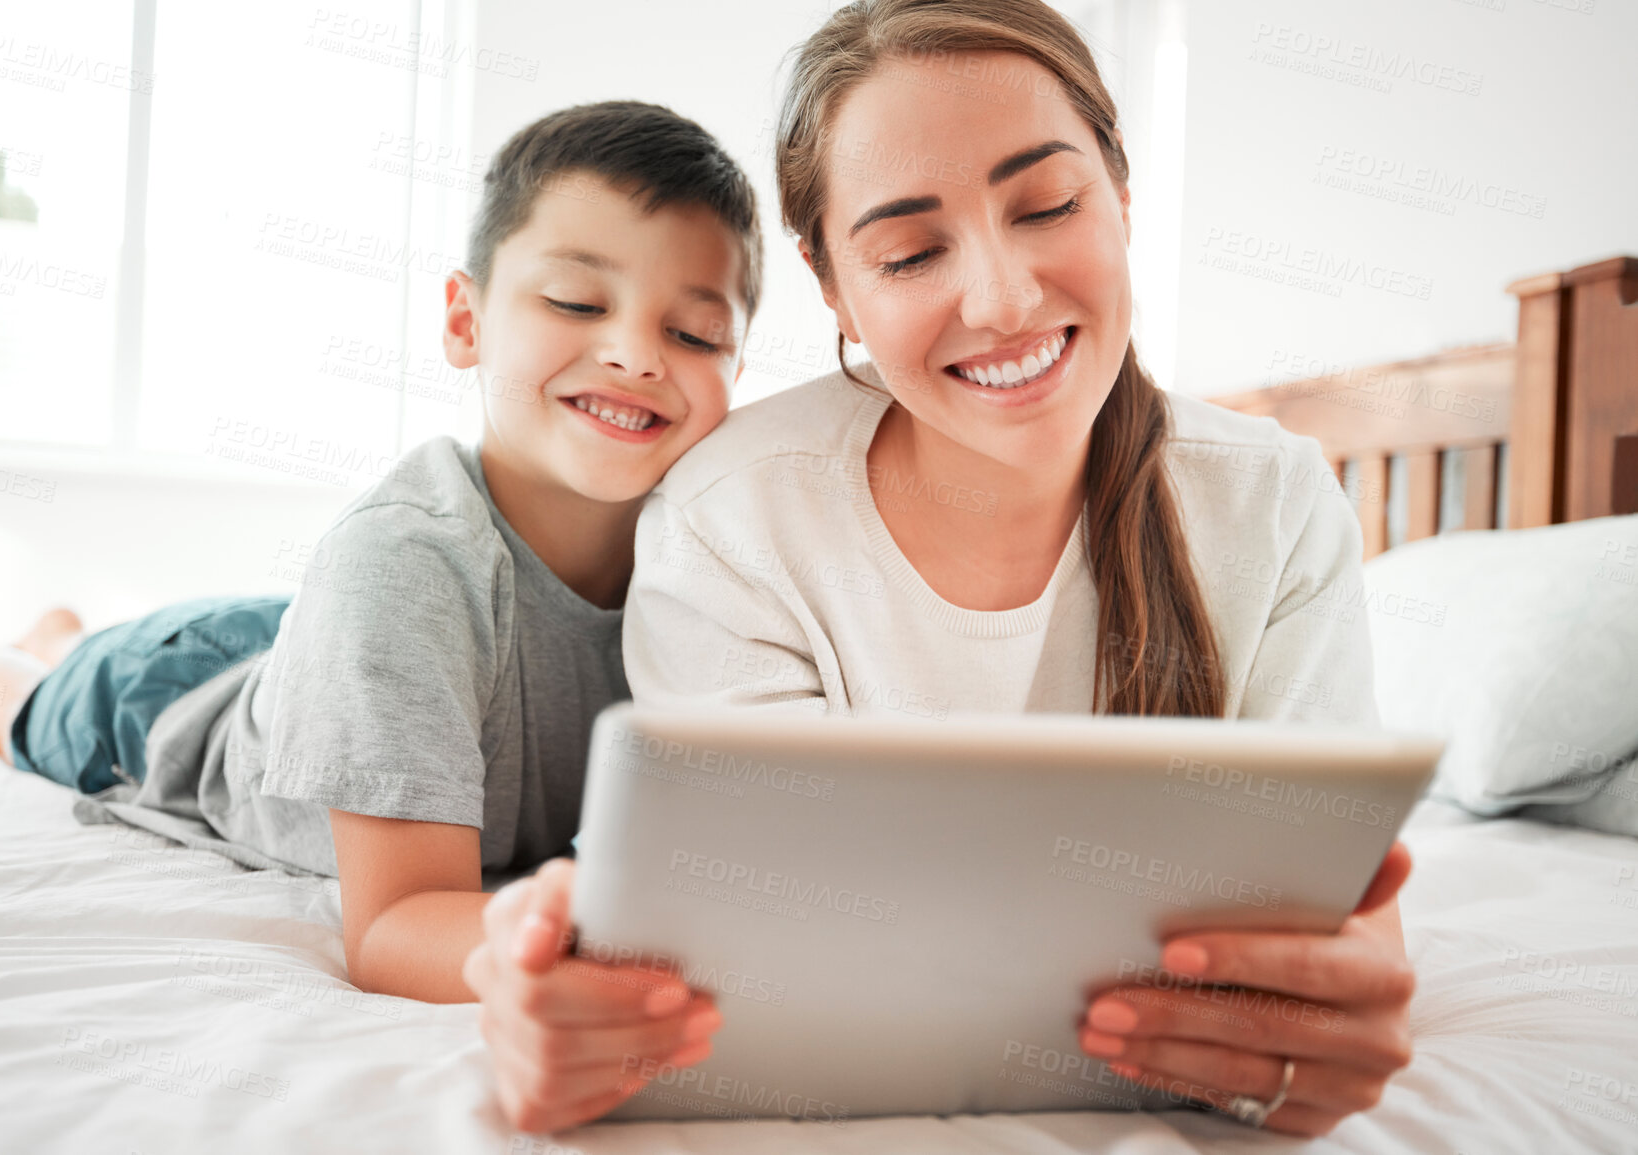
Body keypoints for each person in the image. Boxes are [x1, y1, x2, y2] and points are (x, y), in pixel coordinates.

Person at [468, 0, 1416, 1138]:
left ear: (1120, 191)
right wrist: (568, 993)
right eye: (911, 252)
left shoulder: (1275, 501)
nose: (1004, 299)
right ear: (833, 285)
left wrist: (1330, 1007)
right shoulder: (731, 517)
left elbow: (1338, 916)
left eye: (1050, 204)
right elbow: (749, 958)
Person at [0, 100, 758, 1083]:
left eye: (696, 331)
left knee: (158, 637)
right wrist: (548, 960)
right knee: (22, 697)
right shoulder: (398, 571)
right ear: (464, 319)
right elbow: (395, 925)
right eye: (576, 303)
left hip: (313, 647)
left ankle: (65, 631)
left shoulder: (718, 558)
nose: (639, 355)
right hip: (172, 697)